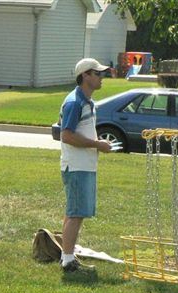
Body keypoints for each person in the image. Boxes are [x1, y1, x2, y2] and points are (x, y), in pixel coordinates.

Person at [58, 58, 112, 273]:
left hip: (85, 165)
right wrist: (96, 144)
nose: (102, 78)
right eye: (98, 74)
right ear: (85, 76)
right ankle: (68, 261)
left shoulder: (87, 101)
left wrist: (96, 145)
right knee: (76, 213)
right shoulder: (75, 102)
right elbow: (66, 135)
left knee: (74, 212)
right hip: (76, 166)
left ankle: (66, 255)